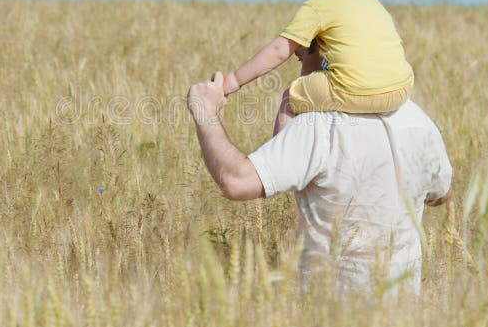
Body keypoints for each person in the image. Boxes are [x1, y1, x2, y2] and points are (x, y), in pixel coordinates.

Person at [188, 65, 452, 294]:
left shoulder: (319, 126)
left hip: (328, 317)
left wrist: (205, 112)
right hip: (406, 321)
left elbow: (236, 181)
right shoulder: (419, 121)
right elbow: (443, 194)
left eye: (302, 57)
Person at [222, 0, 414, 135]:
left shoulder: (320, 3)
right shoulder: (373, 1)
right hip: (400, 88)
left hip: (353, 90)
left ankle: (281, 159)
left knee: (290, 98)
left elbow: (278, 51)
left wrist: (233, 81)